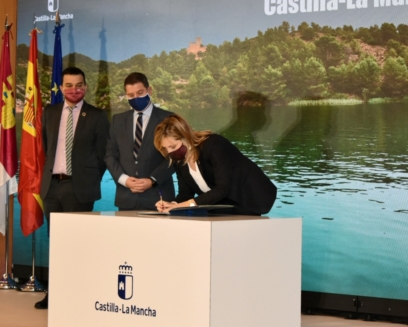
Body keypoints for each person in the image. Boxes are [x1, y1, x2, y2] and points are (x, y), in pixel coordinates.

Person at [36, 67, 110, 309]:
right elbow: (46, 147)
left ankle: (79, 293)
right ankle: (54, 293)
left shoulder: (97, 115)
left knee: (78, 243)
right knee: (55, 242)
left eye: (79, 84)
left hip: (78, 188)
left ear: (85, 87)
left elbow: (102, 156)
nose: (74, 89)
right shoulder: (50, 112)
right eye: (69, 85)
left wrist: (87, 179)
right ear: (61, 87)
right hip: (52, 187)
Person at [153, 114, 276, 215]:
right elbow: (185, 193)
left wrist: (182, 206)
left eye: (172, 146)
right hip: (224, 207)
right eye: (166, 149)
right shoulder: (178, 159)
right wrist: (172, 204)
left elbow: (222, 188)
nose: (170, 152)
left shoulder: (213, 145)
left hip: (252, 199)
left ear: (186, 136)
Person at [105, 72, 175, 210]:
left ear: (149, 90)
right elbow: (110, 155)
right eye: (131, 95)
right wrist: (124, 180)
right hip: (126, 198)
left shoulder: (169, 119)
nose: (135, 98)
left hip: (159, 199)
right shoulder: (118, 120)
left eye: (140, 92)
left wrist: (153, 180)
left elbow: (175, 156)